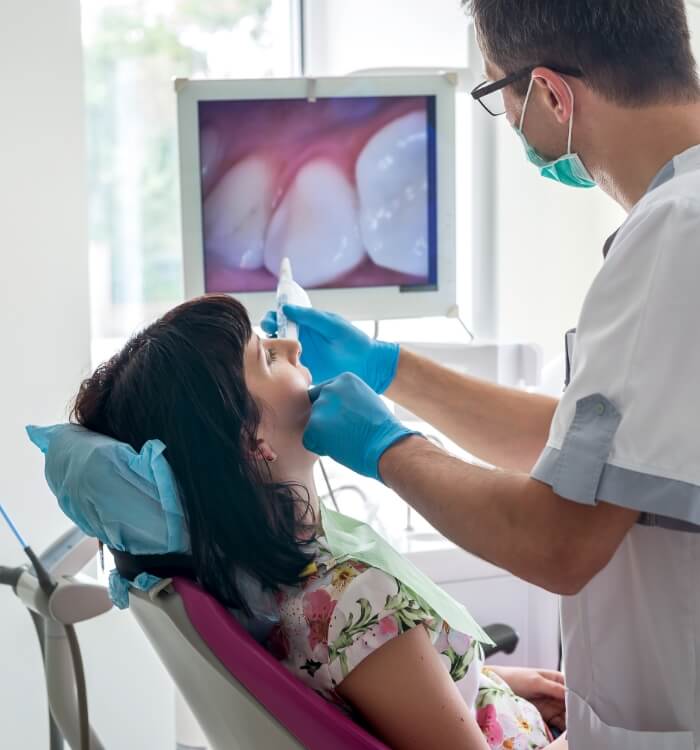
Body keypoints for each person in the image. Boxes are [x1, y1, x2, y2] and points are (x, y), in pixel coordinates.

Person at [262, 1, 700, 747]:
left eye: (500, 96)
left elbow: (559, 542)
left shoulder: (676, 236)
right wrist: (390, 370)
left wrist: (388, 447)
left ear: (553, 95)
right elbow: (595, 454)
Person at [71, 295, 567, 750]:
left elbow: (384, 693)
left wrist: (490, 683)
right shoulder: (352, 599)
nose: (291, 344)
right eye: (266, 355)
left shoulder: (273, 588)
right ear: (250, 441)